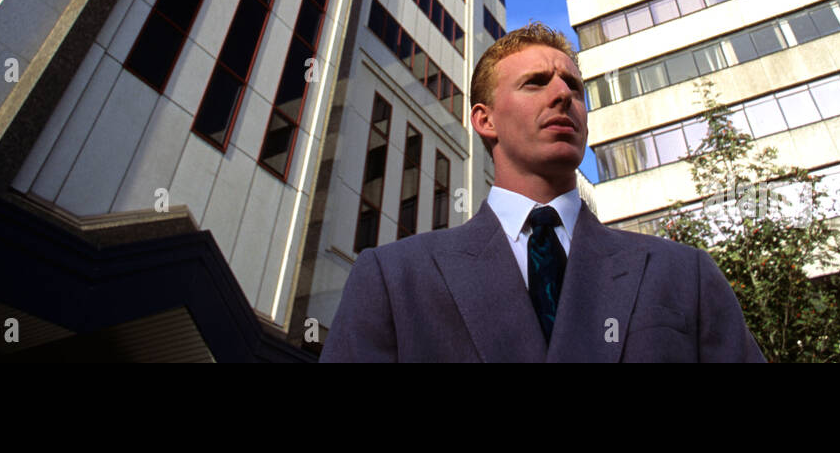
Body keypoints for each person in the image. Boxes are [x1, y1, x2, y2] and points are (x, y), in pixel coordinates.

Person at [320, 22, 766, 362]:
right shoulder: (393, 279)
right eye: (536, 82)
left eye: (573, 86)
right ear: (485, 119)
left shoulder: (684, 273)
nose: (562, 94)